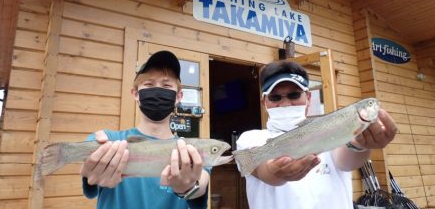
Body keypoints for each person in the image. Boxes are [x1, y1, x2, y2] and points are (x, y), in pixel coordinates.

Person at [236, 60, 397, 209]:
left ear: (308, 97)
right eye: (275, 97)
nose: (285, 103)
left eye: (294, 95)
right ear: (264, 101)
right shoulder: (251, 138)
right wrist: (273, 172)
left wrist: (361, 144)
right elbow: (261, 170)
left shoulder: (330, 129)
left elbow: (346, 160)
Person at [80, 50, 210, 209]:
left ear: (178, 97)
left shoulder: (191, 151)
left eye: (166, 85)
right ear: (136, 94)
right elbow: (89, 170)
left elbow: (201, 183)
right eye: (149, 84)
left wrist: (188, 188)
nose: (157, 91)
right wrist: (92, 170)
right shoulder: (110, 139)